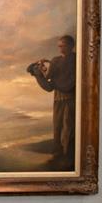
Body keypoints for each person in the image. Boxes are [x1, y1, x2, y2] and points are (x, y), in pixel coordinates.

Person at [26, 35, 76, 169]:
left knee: (69, 129)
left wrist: (43, 74)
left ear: (71, 46)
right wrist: (41, 71)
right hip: (58, 99)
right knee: (57, 127)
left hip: (71, 99)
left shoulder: (76, 59)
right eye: (59, 46)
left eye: (63, 45)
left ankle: (68, 158)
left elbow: (66, 83)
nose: (60, 48)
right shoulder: (55, 60)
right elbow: (48, 82)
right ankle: (58, 156)